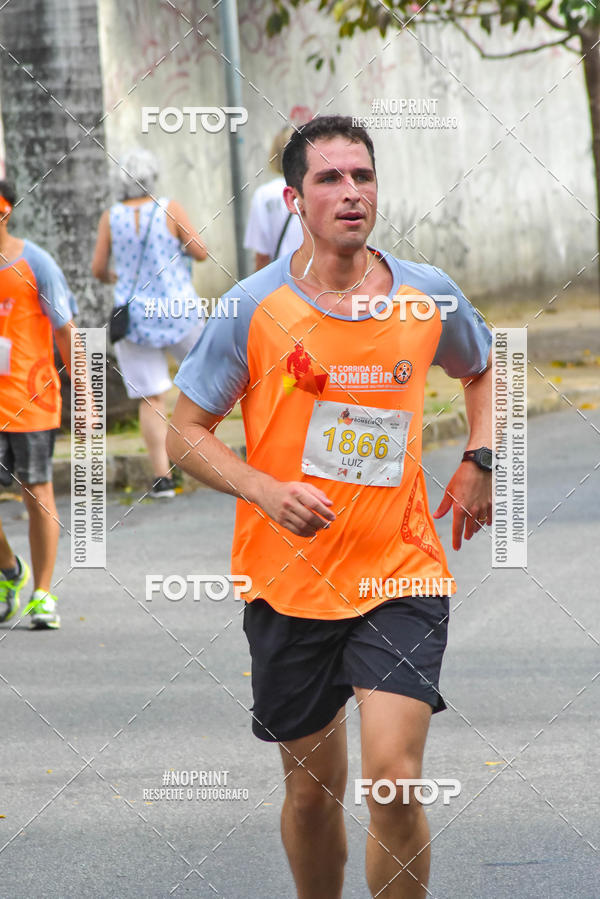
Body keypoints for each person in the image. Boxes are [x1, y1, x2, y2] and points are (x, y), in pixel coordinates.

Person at [167, 116, 493, 898]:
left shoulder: (424, 294)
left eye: (363, 176)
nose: (351, 193)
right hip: (289, 583)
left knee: (394, 780)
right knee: (313, 795)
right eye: (330, 179)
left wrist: (480, 458)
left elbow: (484, 366)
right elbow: (184, 434)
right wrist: (264, 489)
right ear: (294, 200)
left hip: (401, 571)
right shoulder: (251, 307)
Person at [91, 147, 208, 498]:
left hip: (135, 315)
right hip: (178, 309)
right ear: (153, 177)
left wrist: (116, 277)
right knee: (208, 379)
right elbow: (200, 251)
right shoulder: (170, 208)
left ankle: (162, 478)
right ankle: (207, 460)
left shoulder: (110, 217)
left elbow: (98, 269)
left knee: (151, 396)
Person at [0, 178, 78, 630]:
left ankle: (42, 594)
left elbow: (66, 331)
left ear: (5, 211)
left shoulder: (36, 263)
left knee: (37, 493)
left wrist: (86, 397)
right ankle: (10, 569)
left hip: (31, 400)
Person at [244, 125, 303, 271]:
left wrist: (260, 284)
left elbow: (262, 256)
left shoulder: (264, 195)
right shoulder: (315, 189)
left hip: (281, 279)